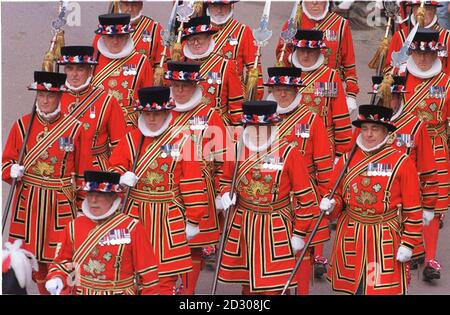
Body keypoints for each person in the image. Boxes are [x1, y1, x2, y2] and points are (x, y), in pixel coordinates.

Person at [108, 86, 209, 294]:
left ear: (166, 113)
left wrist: (193, 219)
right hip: (136, 215)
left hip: (168, 217)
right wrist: (120, 177)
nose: (151, 119)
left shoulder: (184, 142)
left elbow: (193, 184)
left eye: (156, 114)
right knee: (131, 273)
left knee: (163, 278)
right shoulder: (131, 139)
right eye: (147, 114)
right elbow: (114, 166)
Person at [217, 100, 324, 295]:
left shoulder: (288, 153)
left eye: (263, 127)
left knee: (275, 287)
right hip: (244, 223)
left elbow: (307, 199)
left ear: (273, 125)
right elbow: (225, 179)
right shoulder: (236, 149)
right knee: (248, 285)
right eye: (253, 126)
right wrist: (225, 194)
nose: (257, 131)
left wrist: (299, 233)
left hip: (276, 226)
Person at [324, 104, 423, 294]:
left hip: (381, 238)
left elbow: (412, 208)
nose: (368, 134)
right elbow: (336, 195)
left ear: (385, 132)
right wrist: (331, 204)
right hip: (351, 234)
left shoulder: (401, 162)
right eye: (365, 128)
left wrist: (408, 242)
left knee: (375, 286)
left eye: (375, 129)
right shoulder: (346, 159)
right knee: (351, 287)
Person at [2, 71, 83, 294]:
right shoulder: (21, 125)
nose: (45, 100)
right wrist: (11, 169)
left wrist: (84, 208)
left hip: (60, 204)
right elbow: (4, 164)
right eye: (41, 95)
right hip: (29, 204)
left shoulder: (75, 129)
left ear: (60, 97)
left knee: (63, 259)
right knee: (29, 263)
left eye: (50, 96)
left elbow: (83, 171)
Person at [165, 60, 229, 294]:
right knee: (166, 244)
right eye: (175, 85)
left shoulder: (210, 115)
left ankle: (188, 292)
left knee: (194, 246)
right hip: (166, 189)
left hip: (200, 190)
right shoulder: (160, 112)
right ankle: (168, 287)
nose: (179, 90)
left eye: (185, 85)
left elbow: (224, 159)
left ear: (195, 85)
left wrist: (222, 192)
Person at [265, 66, 333, 283]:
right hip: (272, 194)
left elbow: (323, 163)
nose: (282, 94)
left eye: (287, 89)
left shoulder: (312, 120)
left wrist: (325, 195)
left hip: (304, 195)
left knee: (303, 250)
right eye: (277, 89)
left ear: (296, 90)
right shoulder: (261, 118)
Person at [45, 170, 160, 295]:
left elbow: (149, 275)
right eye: (90, 193)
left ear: (114, 197)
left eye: (100, 194)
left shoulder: (132, 227)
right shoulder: (73, 226)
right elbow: (62, 261)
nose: (93, 200)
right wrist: (57, 277)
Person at [401, 28, 450, 281]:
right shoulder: (397, 77)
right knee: (403, 201)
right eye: (418, 53)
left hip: (436, 146)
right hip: (405, 145)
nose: (421, 59)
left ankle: (430, 257)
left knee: (435, 204)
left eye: (427, 54)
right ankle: (407, 253)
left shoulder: (446, 82)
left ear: (436, 54)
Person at [275, 0, 359, 108]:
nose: (315, 2)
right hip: (298, 88)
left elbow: (349, 63)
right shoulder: (293, 23)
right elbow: (281, 54)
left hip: (329, 88)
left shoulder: (341, 25)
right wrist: (293, 58)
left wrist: (351, 94)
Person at [59, 45, 126, 174]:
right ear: (65, 70)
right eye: (70, 69)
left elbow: (120, 145)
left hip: (96, 169)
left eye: (80, 69)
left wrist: (115, 172)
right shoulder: (54, 98)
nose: (74, 74)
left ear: (90, 71)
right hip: (62, 166)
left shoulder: (107, 100)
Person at [286, 28, 352, 160]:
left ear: (319, 51)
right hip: (290, 143)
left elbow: (341, 118)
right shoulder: (285, 75)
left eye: (310, 51)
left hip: (322, 146)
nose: (305, 55)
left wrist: (341, 154)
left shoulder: (330, 77)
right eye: (302, 50)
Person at [92, 13, 153, 130]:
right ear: (103, 37)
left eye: (119, 36)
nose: (115, 41)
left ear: (127, 36)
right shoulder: (92, 60)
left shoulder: (141, 61)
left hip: (128, 126)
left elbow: (148, 101)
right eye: (110, 37)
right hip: (99, 124)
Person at [180, 16, 244, 127]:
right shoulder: (179, 64)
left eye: (199, 38)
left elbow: (236, 106)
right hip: (185, 125)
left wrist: (237, 136)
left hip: (217, 125)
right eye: (191, 39)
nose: (196, 43)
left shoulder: (227, 65)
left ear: (209, 38)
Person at [205, 0, 264, 100]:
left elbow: (253, 68)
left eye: (223, 5)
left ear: (231, 6)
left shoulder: (243, 31)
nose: (219, 10)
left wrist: (254, 97)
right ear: (208, 6)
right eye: (215, 6)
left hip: (234, 93)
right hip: (205, 92)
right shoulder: (199, 30)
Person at [93, 1, 166, 69]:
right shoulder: (106, 29)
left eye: (134, 5)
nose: (130, 9)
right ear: (119, 5)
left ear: (141, 5)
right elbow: (94, 61)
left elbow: (163, 64)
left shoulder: (155, 28)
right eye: (126, 4)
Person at [384, 1, 450, 75]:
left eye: (427, 8)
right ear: (412, 10)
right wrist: (399, 70)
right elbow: (387, 70)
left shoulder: (447, 37)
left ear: (435, 11)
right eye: (418, 8)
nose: (422, 13)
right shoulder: (399, 36)